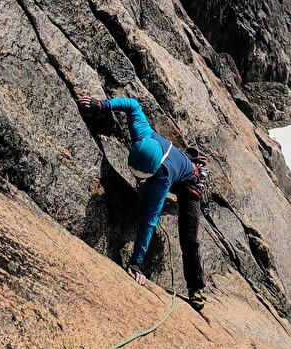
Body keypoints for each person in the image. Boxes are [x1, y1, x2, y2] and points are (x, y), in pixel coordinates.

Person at [78, 95, 206, 310]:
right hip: (168, 164)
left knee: (189, 238)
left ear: (152, 174)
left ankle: (196, 288)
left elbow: (149, 220)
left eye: (141, 178)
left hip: (188, 184)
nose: (137, 180)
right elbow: (132, 105)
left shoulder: (162, 180)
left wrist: (136, 263)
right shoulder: (142, 135)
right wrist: (101, 105)